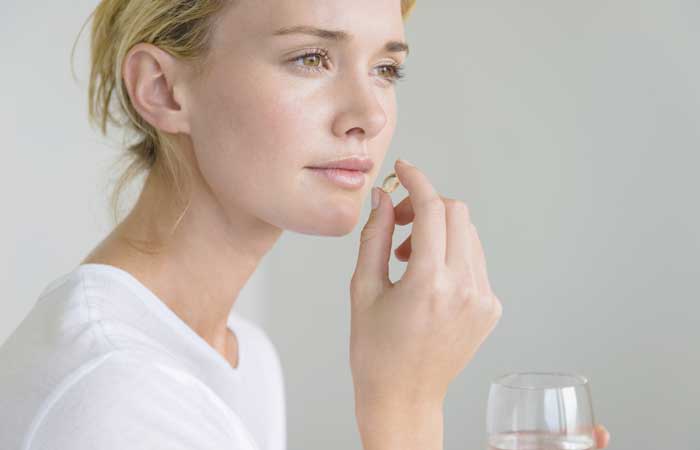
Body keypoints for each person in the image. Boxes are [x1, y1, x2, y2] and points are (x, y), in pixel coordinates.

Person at [0, 1, 610, 449]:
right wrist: (403, 409)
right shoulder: (117, 394)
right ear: (163, 90)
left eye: (386, 69)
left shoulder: (244, 356)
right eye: (311, 58)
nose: (369, 114)